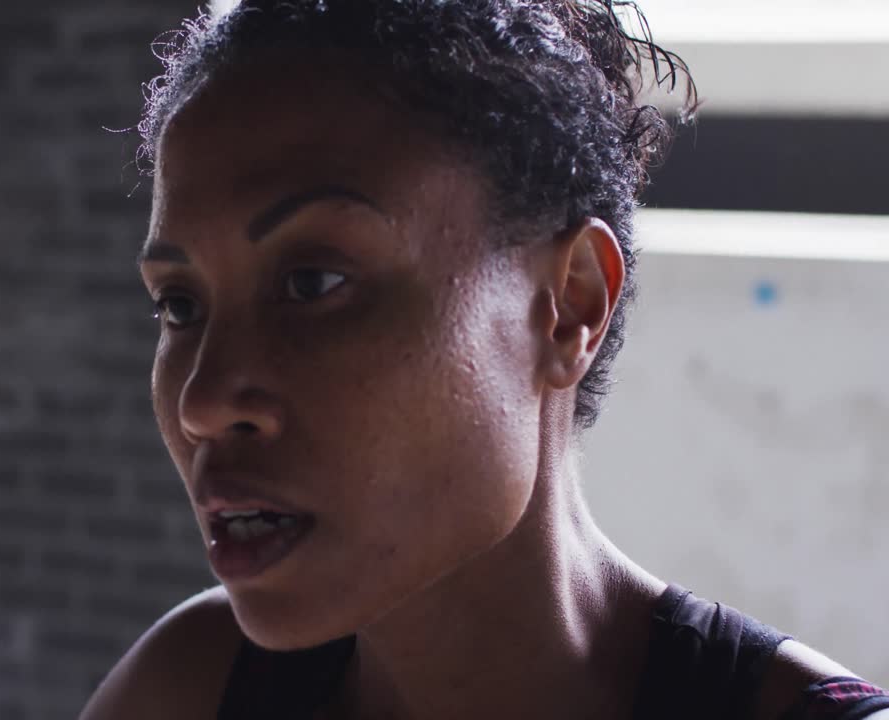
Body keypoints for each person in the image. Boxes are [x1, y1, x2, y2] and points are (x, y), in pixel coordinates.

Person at [81, 1, 889, 718]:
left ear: (570, 304)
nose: (204, 400)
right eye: (179, 306)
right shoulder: (190, 686)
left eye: (313, 282)